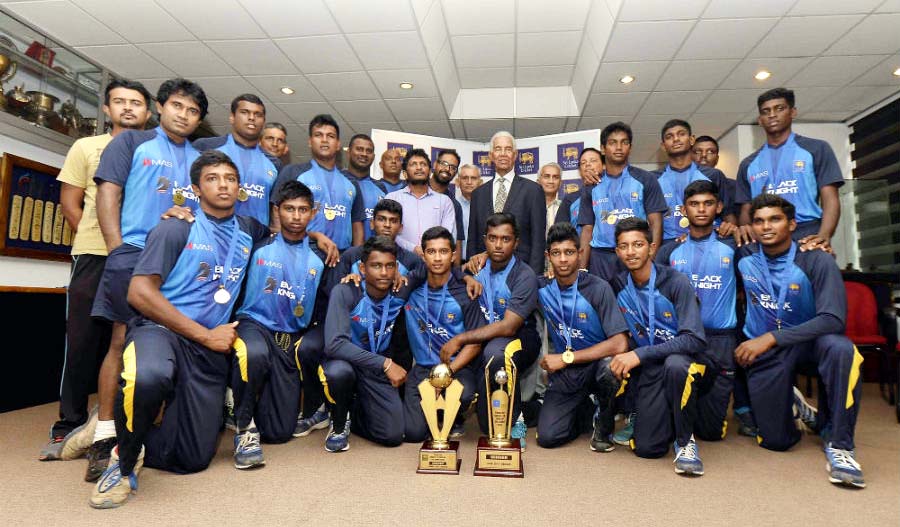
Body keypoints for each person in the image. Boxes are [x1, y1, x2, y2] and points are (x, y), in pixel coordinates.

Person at [89, 150, 269, 509]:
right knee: (150, 375)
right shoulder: (176, 226)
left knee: (192, 459)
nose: (223, 185)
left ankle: (129, 430)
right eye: (213, 178)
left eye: (230, 179)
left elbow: (288, 232)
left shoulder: (249, 230)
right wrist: (204, 335)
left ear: (240, 187)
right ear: (195, 189)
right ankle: (122, 464)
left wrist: (321, 239)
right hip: (163, 330)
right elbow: (139, 293)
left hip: (206, 346)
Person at [87, 77, 207, 483]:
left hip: (182, 260)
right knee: (121, 341)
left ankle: (148, 428)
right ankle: (105, 434)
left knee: (171, 341)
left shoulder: (200, 158)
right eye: (177, 106)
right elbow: (109, 195)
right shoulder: (131, 143)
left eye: (192, 111)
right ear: (160, 107)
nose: (184, 115)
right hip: (135, 254)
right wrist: (117, 247)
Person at [39, 79, 152, 463]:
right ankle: (68, 421)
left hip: (138, 257)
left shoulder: (153, 151)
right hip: (94, 253)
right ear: (106, 109)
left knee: (128, 341)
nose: (128, 108)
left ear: (148, 112)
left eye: (136, 103)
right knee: (83, 340)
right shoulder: (85, 147)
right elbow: (70, 202)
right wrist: (101, 239)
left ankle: (115, 419)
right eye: (119, 102)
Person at [736, 193, 865, 488]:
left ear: (793, 225)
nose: (766, 227)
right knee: (776, 441)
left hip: (811, 343)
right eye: (758, 221)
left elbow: (833, 319)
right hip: (769, 350)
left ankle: (841, 445)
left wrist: (771, 337)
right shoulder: (744, 256)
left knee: (841, 348)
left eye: (775, 219)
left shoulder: (816, 258)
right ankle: (800, 410)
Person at [597, 217, 709, 476]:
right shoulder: (617, 286)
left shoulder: (675, 282)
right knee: (647, 448)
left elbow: (694, 339)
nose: (631, 251)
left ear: (652, 247)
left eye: (637, 244)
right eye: (624, 246)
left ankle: (685, 442)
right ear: (616, 252)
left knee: (676, 365)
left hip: (686, 365)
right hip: (650, 369)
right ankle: (666, 418)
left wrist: (639, 353)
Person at [229, 181, 329, 469]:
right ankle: (244, 427)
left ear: (313, 213)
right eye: (289, 209)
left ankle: (241, 399)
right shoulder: (257, 242)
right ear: (277, 210)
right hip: (254, 324)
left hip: (289, 335)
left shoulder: (320, 256)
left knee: (278, 432)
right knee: (254, 355)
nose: (296, 216)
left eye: (302, 210)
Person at [655, 180, 739, 443]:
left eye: (708, 203)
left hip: (720, 341)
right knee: (672, 416)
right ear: (683, 209)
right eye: (694, 204)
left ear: (719, 207)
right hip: (682, 339)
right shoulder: (670, 250)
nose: (701, 209)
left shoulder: (734, 245)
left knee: (710, 433)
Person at [535, 223, 629, 450]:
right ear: (548, 256)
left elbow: (620, 343)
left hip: (596, 366)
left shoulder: (598, 287)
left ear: (579, 254)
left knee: (609, 368)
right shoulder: (541, 287)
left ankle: (604, 425)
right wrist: (472, 274)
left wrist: (567, 358)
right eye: (556, 254)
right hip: (567, 374)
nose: (563, 260)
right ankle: (585, 410)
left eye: (569, 253)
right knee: (548, 438)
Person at [452, 213, 541, 448]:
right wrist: (464, 275)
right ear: (485, 239)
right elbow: (452, 273)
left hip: (519, 337)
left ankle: (515, 424)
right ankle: (532, 408)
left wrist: (461, 338)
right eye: (492, 238)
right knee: (485, 423)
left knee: (497, 352)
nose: (498, 245)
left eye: (505, 239)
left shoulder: (524, 275)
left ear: (516, 242)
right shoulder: (477, 267)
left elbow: (509, 326)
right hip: (486, 339)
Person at [320, 236, 409, 452]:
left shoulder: (399, 291)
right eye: (376, 266)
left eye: (389, 266)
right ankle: (339, 421)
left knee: (393, 435)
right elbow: (335, 344)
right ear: (362, 268)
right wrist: (386, 364)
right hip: (348, 363)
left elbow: (431, 272)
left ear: (396, 268)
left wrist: (466, 278)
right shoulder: (346, 290)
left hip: (374, 369)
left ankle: (353, 410)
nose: (384, 273)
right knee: (339, 372)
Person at [403, 227, 485, 442]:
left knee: (464, 393)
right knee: (413, 434)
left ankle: (455, 418)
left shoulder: (466, 290)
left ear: (454, 255)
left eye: (443, 252)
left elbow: (475, 343)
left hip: (456, 367)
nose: (437, 258)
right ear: (423, 254)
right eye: (431, 252)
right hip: (421, 367)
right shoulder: (411, 286)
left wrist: (445, 374)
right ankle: (434, 414)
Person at [735, 88, 843, 250]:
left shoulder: (817, 149)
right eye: (766, 111)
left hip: (807, 231)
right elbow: (746, 210)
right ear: (760, 120)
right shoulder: (748, 164)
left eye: (779, 108)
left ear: (792, 112)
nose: (772, 114)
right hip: (766, 236)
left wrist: (824, 235)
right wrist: (748, 234)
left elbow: (830, 198)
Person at [578, 122, 666, 281]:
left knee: (635, 305)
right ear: (603, 149)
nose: (619, 147)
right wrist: (582, 268)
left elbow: (656, 222)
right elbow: (586, 230)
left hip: (634, 255)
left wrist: (650, 258)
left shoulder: (646, 179)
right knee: (602, 304)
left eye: (624, 142)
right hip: (600, 258)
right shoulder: (592, 184)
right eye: (613, 143)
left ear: (630, 148)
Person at [272, 114, 364, 255]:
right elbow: (276, 211)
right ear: (310, 141)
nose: (324, 140)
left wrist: (357, 258)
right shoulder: (293, 172)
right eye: (318, 135)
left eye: (330, 136)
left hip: (341, 257)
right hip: (301, 252)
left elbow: (357, 224)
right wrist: (281, 249)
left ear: (338, 144)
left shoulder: (351, 183)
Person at [193, 94, 278, 227]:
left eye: (258, 114)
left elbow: (274, 209)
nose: (251, 118)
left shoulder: (274, 163)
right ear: (232, 117)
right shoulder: (206, 147)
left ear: (263, 121)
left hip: (256, 238)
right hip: (210, 231)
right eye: (245, 112)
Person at [467, 131, 546, 273]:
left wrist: (534, 279)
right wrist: (471, 274)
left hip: (521, 273)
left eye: (508, 149)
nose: (503, 153)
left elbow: (538, 240)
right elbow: (472, 239)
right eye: (498, 149)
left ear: (515, 155)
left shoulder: (533, 191)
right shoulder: (478, 194)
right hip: (484, 273)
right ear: (491, 155)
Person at [655, 119, 735, 246]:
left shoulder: (713, 175)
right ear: (663, 146)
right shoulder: (653, 179)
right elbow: (652, 219)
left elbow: (728, 215)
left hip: (709, 241)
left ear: (692, 140)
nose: (676, 139)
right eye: (670, 136)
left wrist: (731, 232)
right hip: (669, 244)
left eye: (681, 134)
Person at [385, 148, 457, 256]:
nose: (419, 168)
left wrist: (429, 251)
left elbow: (447, 235)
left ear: (429, 171)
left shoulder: (444, 201)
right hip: (400, 261)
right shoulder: (392, 198)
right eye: (413, 164)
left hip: (434, 261)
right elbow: (388, 233)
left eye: (423, 164)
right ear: (404, 173)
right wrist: (413, 249)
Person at [693, 135, 740, 232]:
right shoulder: (681, 183)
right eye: (698, 151)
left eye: (710, 151)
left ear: (717, 159)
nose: (704, 155)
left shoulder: (735, 186)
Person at [344, 133, 386, 240]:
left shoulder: (380, 188)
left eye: (369, 151)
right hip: (340, 253)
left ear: (373, 157)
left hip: (372, 253)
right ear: (348, 153)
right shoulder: (337, 182)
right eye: (359, 149)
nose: (364, 154)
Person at [429, 149, 467, 266]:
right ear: (435, 164)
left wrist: (456, 275)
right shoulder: (415, 190)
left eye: (452, 167)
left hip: (440, 267)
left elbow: (457, 242)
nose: (447, 169)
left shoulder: (454, 205)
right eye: (443, 164)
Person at [555, 148, 602, 235]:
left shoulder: (613, 192)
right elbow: (560, 232)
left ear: (604, 165)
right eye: (583, 163)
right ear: (580, 171)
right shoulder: (570, 199)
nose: (588, 164)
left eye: (593, 160)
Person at [455, 163, 481, 261]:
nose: (469, 182)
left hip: (483, 263)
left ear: (481, 182)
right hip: (458, 263)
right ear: (457, 182)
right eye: (465, 178)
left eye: (473, 178)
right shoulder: (451, 206)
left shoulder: (488, 206)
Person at [539, 163, 563, 236]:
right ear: (538, 181)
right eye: (546, 177)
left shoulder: (566, 207)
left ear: (560, 183)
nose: (551, 181)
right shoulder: (529, 207)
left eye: (555, 177)